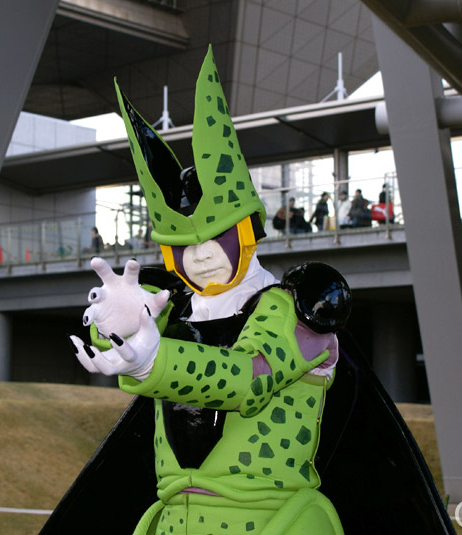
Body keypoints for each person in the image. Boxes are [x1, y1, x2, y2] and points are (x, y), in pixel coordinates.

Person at [68, 47, 348, 535]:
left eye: (214, 237)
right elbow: (133, 333)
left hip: (269, 521)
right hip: (171, 518)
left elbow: (246, 379)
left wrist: (154, 362)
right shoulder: (175, 306)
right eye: (184, 245)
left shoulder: (290, 309)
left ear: (247, 229)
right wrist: (115, 327)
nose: (199, 257)